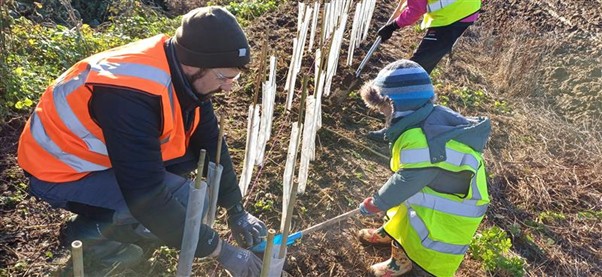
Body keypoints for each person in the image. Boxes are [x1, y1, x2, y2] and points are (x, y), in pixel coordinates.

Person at [17, 6, 265, 276]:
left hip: (100, 157)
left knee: (192, 200)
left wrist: (236, 210)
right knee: (178, 202)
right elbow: (145, 194)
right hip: (60, 171)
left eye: (234, 78)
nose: (228, 87)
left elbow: (210, 142)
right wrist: (220, 250)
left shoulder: (182, 73)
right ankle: (88, 237)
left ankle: (109, 222)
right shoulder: (129, 96)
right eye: (224, 78)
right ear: (195, 65)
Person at [356, 60, 491, 276]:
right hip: (435, 188)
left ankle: (400, 261)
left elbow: (409, 180)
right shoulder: (426, 118)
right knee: (403, 204)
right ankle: (390, 231)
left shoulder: (420, 139)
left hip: (447, 209)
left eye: (383, 108)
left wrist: (378, 202)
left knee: (412, 222)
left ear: (396, 106)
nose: (383, 114)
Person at [367, 0, 483, 142]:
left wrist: (393, 26)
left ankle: (396, 129)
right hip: (461, 10)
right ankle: (407, 118)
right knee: (418, 69)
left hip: (452, 17)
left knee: (413, 74)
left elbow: (416, 10)